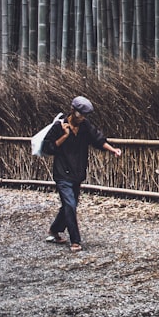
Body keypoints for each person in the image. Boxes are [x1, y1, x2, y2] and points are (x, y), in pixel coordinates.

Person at [41, 95, 122, 252]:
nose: (82, 118)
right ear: (72, 110)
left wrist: (113, 150)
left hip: (77, 172)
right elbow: (48, 148)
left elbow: (98, 139)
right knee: (70, 204)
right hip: (62, 172)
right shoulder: (59, 126)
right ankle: (75, 241)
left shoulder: (85, 126)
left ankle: (54, 230)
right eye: (80, 114)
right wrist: (64, 136)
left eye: (85, 115)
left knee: (70, 204)